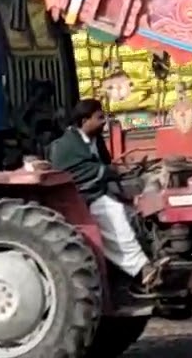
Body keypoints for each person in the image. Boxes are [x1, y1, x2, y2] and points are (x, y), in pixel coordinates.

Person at [48, 98, 161, 287]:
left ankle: (147, 260)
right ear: (85, 121)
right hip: (80, 198)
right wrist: (109, 173)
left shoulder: (95, 141)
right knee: (113, 212)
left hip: (98, 192)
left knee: (132, 214)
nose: (104, 122)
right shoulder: (66, 146)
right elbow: (79, 172)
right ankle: (143, 269)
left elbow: (105, 169)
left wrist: (126, 194)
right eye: (99, 118)